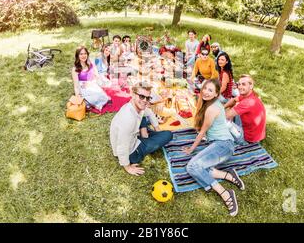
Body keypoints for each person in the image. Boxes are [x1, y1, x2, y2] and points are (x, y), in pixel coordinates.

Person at [184, 79, 245, 217]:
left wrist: (191, 149)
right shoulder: (213, 103)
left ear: (216, 94)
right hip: (222, 144)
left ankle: (225, 193)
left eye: (210, 90)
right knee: (197, 167)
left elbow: (202, 132)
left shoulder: (211, 109)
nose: (205, 92)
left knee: (193, 167)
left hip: (223, 146)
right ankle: (227, 175)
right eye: (205, 88)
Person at [110, 82, 173, 176]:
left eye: (148, 98)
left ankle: (144, 133)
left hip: (135, 137)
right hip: (132, 152)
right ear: (133, 95)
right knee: (168, 134)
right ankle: (145, 135)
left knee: (143, 113)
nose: (145, 100)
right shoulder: (128, 119)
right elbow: (122, 147)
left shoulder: (133, 106)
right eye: (141, 96)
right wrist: (127, 167)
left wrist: (156, 127)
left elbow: (149, 112)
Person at [225, 74, 266, 145]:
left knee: (223, 121)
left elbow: (225, 116)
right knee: (235, 107)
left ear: (251, 86)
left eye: (243, 84)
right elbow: (234, 100)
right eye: (239, 84)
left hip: (248, 140)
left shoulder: (248, 102)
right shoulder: (249, 95)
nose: (240, 87)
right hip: (253, 132)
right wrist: (224, 107)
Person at [71, 46, 110, 111]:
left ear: (87, 54)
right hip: (83, 87)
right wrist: (78, 96)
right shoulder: (75, 69)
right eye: (81, 54)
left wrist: (100, 81)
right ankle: (86, 102)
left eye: (85, 53)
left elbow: (96, 75)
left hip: (92, 84)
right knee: (92, 98)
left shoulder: (90, 64)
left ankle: (89, 103)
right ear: (77, 56)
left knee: (103, 97)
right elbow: (76, 86)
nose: (83, 56)